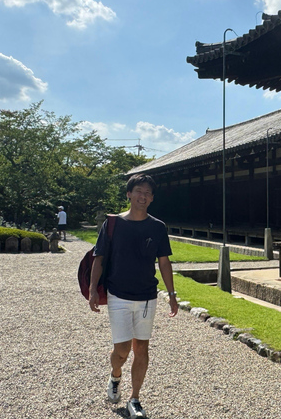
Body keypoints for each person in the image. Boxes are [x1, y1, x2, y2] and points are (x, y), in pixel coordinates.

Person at [89, 174, 178, 418]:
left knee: (142, 348)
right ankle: (115, 375)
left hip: (147, 295)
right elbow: (99, 258)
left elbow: (164, 262)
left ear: (152, 198)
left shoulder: (157, 227)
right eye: (139, 191)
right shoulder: (113, 223)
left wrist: (172, 294)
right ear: (129, 194)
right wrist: (92, 290)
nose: (143, 196)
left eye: (148, 193)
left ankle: (135, 398)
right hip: (118, 294)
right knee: (121, 351)